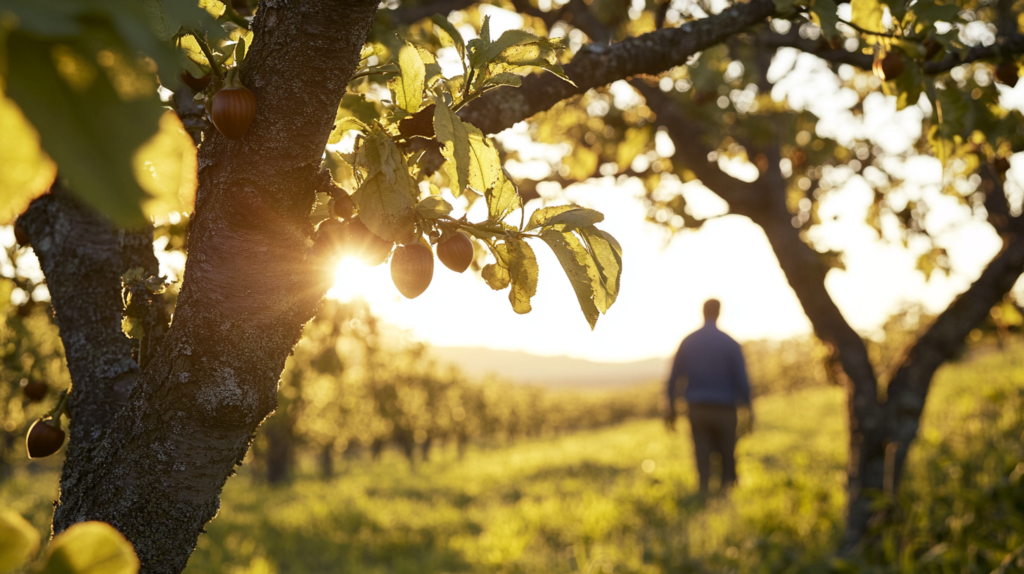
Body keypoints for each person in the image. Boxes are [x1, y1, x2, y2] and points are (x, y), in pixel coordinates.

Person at [666, 298, 752, 494]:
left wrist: (670, 406)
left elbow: (674, 376)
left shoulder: (688, 341)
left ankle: (703, 489)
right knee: (727, 449)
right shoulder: (729, 342)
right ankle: (726, 490)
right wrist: (748, 407)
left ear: (702, 312)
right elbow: (741, 378)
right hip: (725, 408)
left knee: (701, 450)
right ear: (719, 313)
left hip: (697, 407)